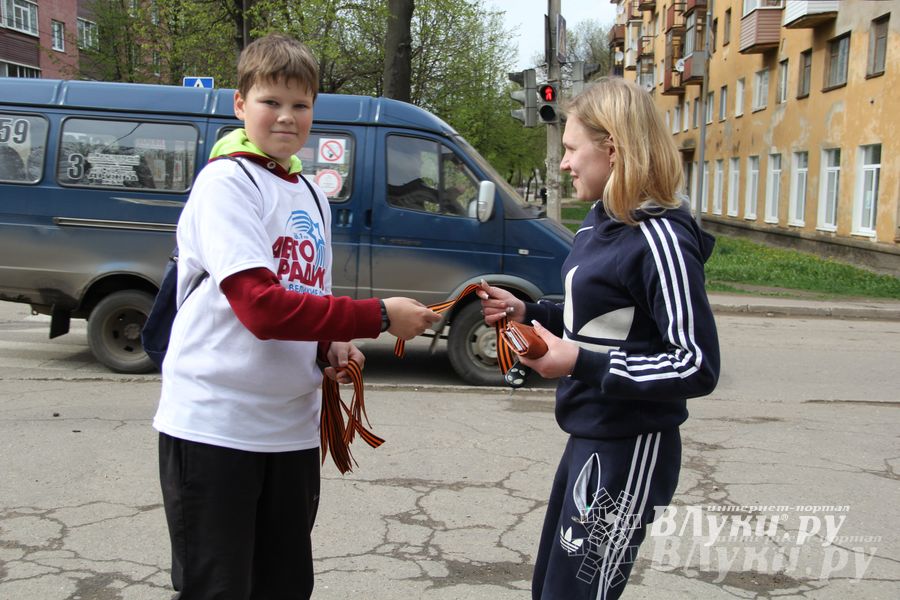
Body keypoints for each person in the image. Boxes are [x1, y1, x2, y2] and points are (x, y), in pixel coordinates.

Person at [152, 33, 439, 600]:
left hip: (290, 432)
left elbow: (306, 295)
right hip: (216, 426)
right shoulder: (226, 183)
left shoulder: (310, 192)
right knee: (219, 588)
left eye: (301, 105)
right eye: (271, 102)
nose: (287, 117)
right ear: (240, 104)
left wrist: (331, 345)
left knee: (284, 586)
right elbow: (260, 307)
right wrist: (376, 316)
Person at [478, 76, 720, 600]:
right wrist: (529, 309)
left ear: (612, 147)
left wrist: (579, 363)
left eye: (571, 149)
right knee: (552, 588)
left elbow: (695, 364)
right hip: (588, 434)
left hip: (631, 446)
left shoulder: (662, 238)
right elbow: (602, 314)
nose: (565, 163)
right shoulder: (599, 222)